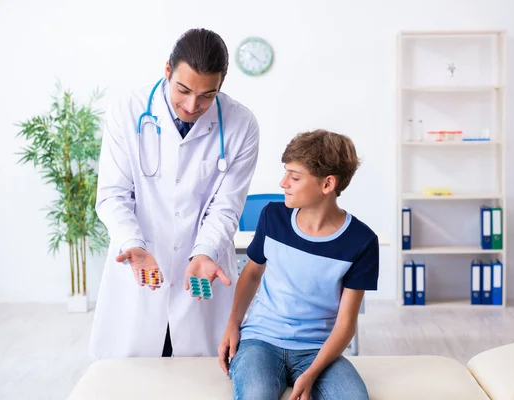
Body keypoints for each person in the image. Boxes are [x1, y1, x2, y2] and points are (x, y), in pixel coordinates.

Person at [89, 28, 260, 359]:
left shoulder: (241, 125)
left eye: (207, 95)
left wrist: (205, 251)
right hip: (140, 267)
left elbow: (226, 207)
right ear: (167, 70)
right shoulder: (127, 110)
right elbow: (113, 195)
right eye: (183, 89)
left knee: (200, 383)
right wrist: (133, 244)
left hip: (200, 274)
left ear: (221, 86)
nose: (192, 105)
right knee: (133, 382)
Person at [218, 130, 379, 400]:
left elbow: (346, 324)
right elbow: (252, 273)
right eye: (285, 173)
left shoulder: (361, 241)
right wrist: (233, 324)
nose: (283, 183)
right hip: (261, 341)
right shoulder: (273, 216)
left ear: (328, 184)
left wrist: (313, 372)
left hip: (320, 348)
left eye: (294, 177)